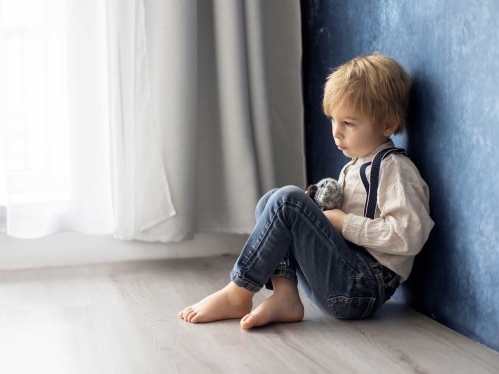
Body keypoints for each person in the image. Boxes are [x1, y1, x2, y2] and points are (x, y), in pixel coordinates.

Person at [179, 52, 435, 329]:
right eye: (333, 121)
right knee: (271, 200)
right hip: (343, 277)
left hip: (361, 289)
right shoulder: (354, 166)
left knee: (288, 200)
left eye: (348, 123)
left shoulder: (394, 168)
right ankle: (286, 296)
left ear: (387, 123)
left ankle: (238, 292)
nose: (336, 132)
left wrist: (342, 222)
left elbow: (409, 234)